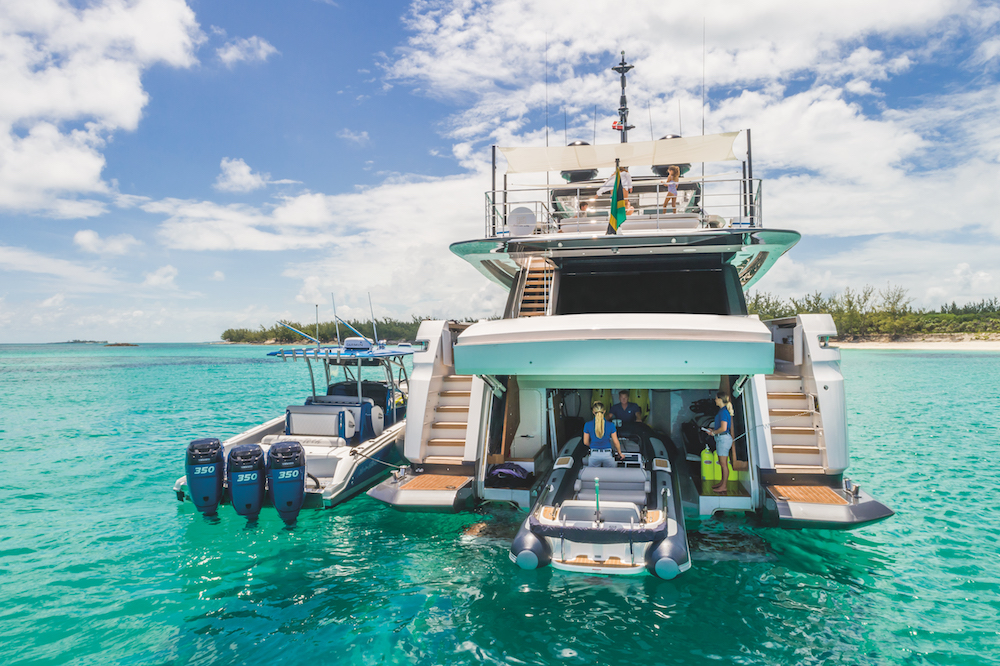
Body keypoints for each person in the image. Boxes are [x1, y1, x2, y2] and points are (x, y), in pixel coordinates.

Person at [705, 391, 734, 493]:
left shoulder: (723, 412)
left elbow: (723, 428)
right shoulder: (723, 411)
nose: (715, 400)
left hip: (723, 439)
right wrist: (713, 430)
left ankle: (724, 486)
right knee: (722, 463)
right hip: (722, 439)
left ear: (720, 399)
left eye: (716, 398)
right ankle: (722, 482)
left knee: (723, 464)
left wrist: (713, 432)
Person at [583, 401, 623, 467]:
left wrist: (593, 445)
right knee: (610, 473)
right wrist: (620, 453)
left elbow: (585, 442)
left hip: (594, 454)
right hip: (607, 454)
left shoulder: (587, 425)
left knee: (593, 473)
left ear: (593, 412)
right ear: (604, 411)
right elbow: (616, 442)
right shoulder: (611, 425)